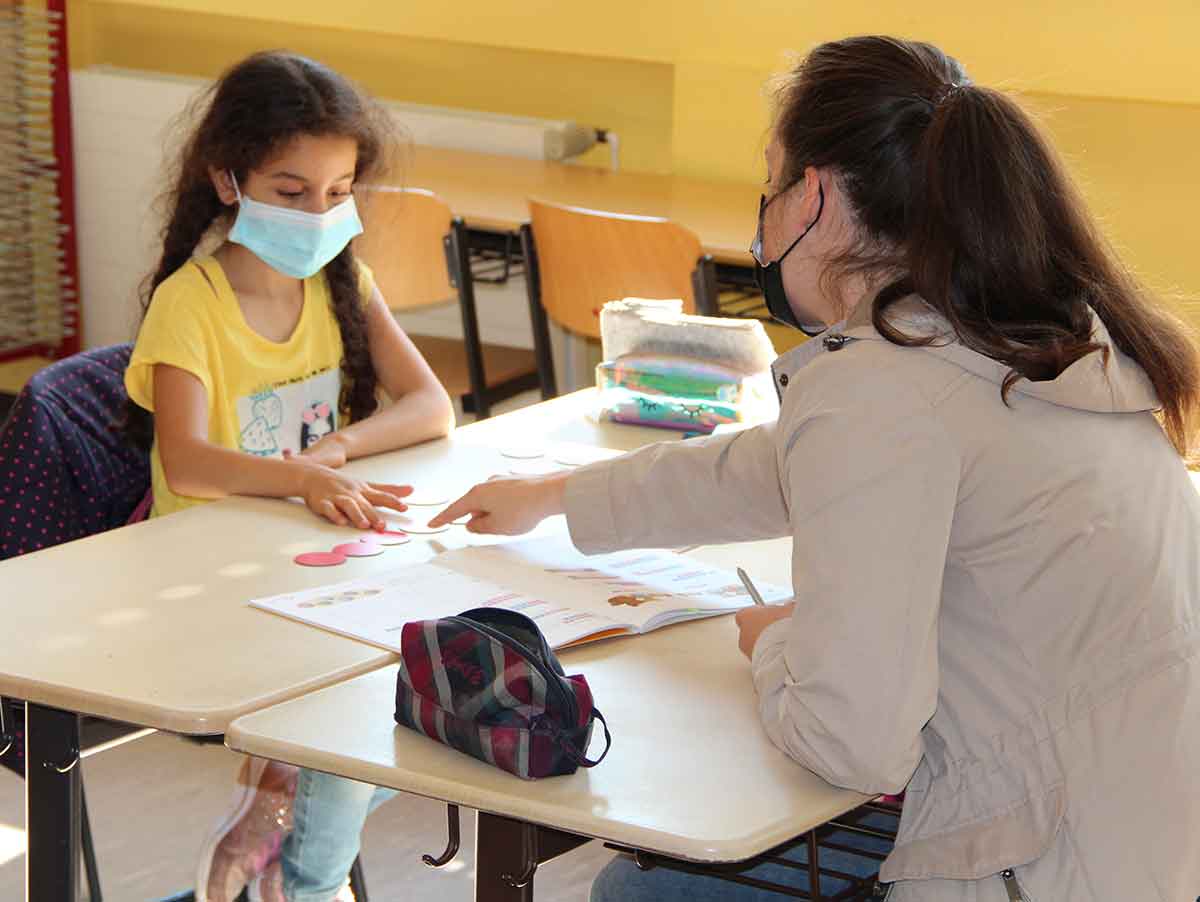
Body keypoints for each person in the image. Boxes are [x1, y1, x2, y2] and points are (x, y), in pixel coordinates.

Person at [429, 36, 1200, 901]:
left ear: (817, 197)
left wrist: (780, 643)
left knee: (642, 890)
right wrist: (556, 497)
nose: (759, 209)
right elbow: (777, 470)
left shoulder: (883, 389)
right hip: (1140, 814)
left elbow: (852, 743)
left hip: (1036, 855)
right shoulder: (1027, 329)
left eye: (770, 178)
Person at [124, 51, 455, 902]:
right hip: (204, 586)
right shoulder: (191, 303)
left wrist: (337, 452)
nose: (318, 213)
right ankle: (305, 874)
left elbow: (429, 406)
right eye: (291, 190)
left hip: (303, 566)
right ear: (228, 181)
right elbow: (189, 464)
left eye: (339, 192)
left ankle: (274, 811)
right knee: (356, 722)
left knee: (446, 694)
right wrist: (302, 481)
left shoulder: (344, 280)